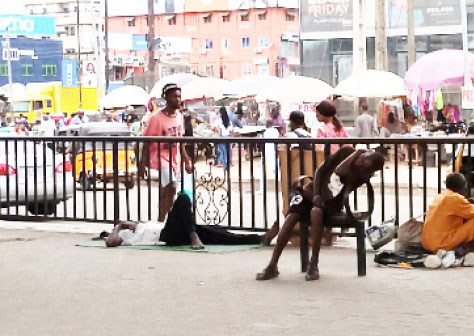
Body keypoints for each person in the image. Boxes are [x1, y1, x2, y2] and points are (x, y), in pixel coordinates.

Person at [257, 147, 385, 281]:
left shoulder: (362, 175)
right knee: (292, 216)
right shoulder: (346, 152)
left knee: (316, 212)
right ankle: (273, 264)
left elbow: (339, 172)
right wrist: (317, 193)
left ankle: (313, 264)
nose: (362, 162)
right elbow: (320, 171)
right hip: (311, 192)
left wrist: (357, 155)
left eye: (366, 163)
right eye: (363, 158)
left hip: (331, 203)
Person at [106, 193, 279, 249]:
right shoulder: (126, 235)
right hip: (165, 236)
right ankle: (193, 234)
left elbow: (138, 224)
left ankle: (260, 238)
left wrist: (134, 223)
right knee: (182, 198)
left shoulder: (141, 226)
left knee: (216, 233)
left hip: (174, 231)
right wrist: (119, 225)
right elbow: (110, 242)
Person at [421, 173, 474, 263]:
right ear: (462, 186)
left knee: (469, 222)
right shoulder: (455, 198)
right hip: (441, 243)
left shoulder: (440, 196)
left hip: (427, 243)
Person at [138, 83, 193, 222]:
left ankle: (164, 220)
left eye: (179, 96)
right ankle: (162, 220)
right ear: (166, 98)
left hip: (175, 159)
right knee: (170, 187)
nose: (178, 100)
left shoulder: (180, 116)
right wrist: (142, 164)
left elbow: (180, 140)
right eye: (174, 96)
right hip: (160, 157)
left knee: (168, 193)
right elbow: (147, 142)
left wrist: (186, 160)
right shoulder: (156, 118)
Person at [212, 107, 233, 171]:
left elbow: (213, 128)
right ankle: (228, 164)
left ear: (220, 113)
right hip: (228, 137)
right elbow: (232, 130)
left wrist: (217, 131)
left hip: (221, 138)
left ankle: (224, 166)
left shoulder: (218, 121)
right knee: (228, 152)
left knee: (222, 152)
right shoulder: (229, 121)